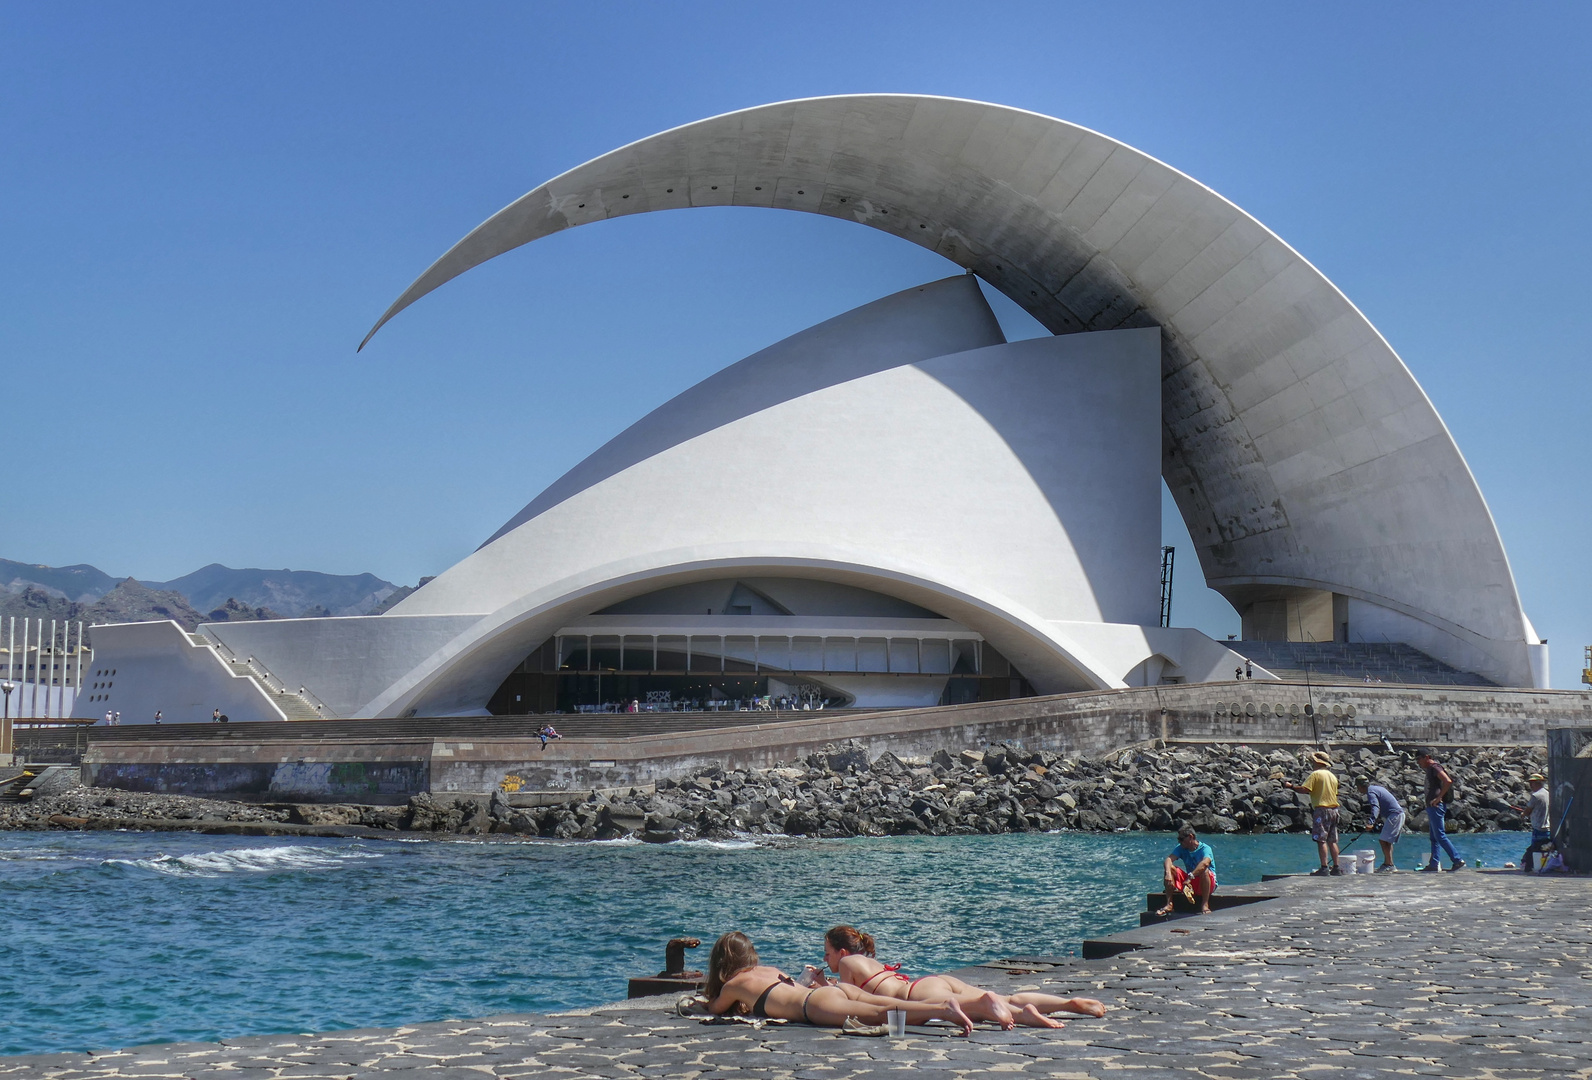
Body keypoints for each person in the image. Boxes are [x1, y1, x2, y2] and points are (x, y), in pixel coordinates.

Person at [822, 925, 1106, 1028]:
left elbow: (850, 1002)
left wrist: (821, 986)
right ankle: (1069, 1004)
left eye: (827, 953)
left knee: (984, 1007)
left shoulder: (848, 962)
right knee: (1007, 998)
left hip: (915, 996)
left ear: (843, 951)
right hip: (928, 982)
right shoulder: (870, 962)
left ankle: (1024, 1016)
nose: (826, 959)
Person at [703, 931, 973, 1035]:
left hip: (815, 1004)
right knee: (892, 1004)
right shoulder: (768, 969)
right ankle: (939, 1006)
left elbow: (715, 1008)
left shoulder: (734, 984)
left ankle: (941, 1009)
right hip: (832, 991)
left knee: (883, 1016)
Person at [1288, 751, 1342, 875]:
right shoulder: (1332, 776)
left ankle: (1324, 868)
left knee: (1321, 839)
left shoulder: (1315, 774)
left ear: (1317, 762)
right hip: (1334, 810)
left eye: (1313, 761)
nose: (1311, 763)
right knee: (1332, 840)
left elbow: (1304, 789)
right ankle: (1336, 867)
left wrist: (1291, 786)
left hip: (1322, 810)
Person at [1414, 748, 1464, 871]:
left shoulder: (1435, 767)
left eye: (1419, 759)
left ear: (1427, 757)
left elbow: (1447, 781)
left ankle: (1457, 860)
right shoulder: (1430, 769)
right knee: (1434, 837)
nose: (1418, 762)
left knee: (1440, 835)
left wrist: (1438, 798)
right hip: (1432, 807)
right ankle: (1434, 863)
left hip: (1436, 806)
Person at [1158, 824, 1217, 914]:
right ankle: (1169, 904)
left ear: (1190, 837)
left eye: (1181, 839)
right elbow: (1168, 859)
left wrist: (1190, 876)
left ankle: (1205, 904)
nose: (1179, 842)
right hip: (1190, 882)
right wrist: (1168, 874)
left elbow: (1205, 863)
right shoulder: (1181, 848)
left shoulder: (1205, 848)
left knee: (1204, 870)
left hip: (1207, 882)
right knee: (1170, 868)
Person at [1355, 775, 1404, 872]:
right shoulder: (1376, 788)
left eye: (1357, 787)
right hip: (1398, 814)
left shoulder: (1371, 792)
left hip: (1394, 815)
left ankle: (1389, 864)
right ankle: (1389, 863)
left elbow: (1375, 807)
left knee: (1383, 840)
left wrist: (1371, 822)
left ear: (1360, 786)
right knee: (1387, 841)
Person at [1513, 773, 1552, 873]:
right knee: (1542, 849)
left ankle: (1529, 868)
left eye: (1532, 783)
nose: (1531, 786)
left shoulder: (1535, 796)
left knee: (1534, 850)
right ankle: (1538, 866)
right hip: (1547, 828)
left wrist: (1523, 814)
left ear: (1539, 783)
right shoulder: (1548, 794)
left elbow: (1527, 811)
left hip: (1538, 828)